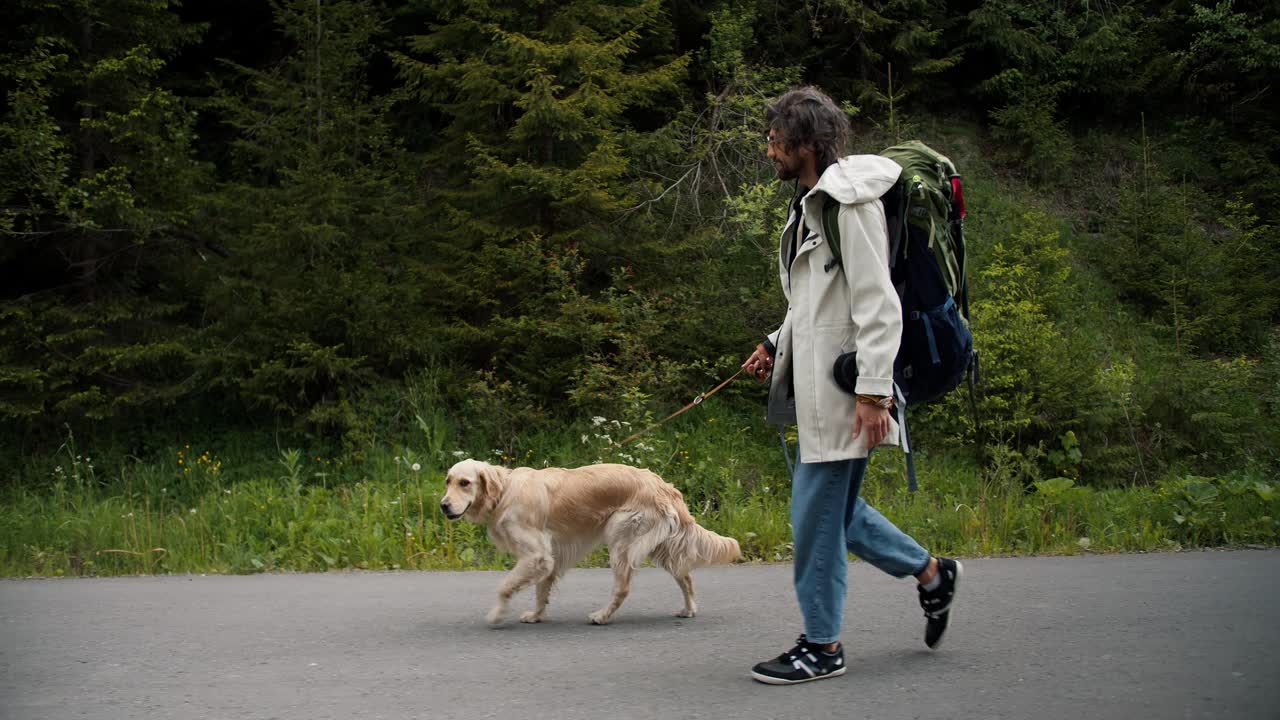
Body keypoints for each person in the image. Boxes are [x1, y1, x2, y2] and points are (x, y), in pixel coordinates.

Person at [741, 86, 963, 685]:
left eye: (775, 140)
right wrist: (772, 342)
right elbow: (813, 301)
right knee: (835, 516)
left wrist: (873, 395)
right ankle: (932, 574)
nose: (770, 151)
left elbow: (878, 305)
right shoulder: (813, 203)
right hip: (823, 388)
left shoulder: (850, 204)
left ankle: (823, 645)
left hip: (847, 394)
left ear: (806, 142)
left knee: (813, 518)